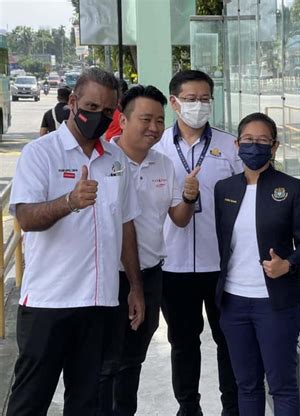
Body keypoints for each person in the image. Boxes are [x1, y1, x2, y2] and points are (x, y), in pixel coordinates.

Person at [6, 67, 145, 416]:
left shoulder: (116, 161)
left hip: (100, 305)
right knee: (30, 402)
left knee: (89, 404)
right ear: (72, 102)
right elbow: (25, 218)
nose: (98, 117)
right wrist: (69, 202)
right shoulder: (40, 154)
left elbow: (126, 224)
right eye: (91, 107)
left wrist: (135, 287)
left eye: (108, 111)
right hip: (48, 304)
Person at [99, 84, 200, 415]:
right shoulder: (101, 162)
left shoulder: (164, 164)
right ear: (123, 120)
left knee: (132, 359)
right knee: (103, 361)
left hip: (150, 273)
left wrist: (188, 196)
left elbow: (179, 219)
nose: (154, 128)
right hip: (105, 276)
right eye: (146, 119)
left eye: (159, 120)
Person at [214, 112, 300, 416]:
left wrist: (287, 265)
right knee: (246, 385)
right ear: (237, 144)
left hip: (275, 305)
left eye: (262, 141)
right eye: (248, 140)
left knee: (282, 385)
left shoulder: (292, 188)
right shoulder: (224, 189)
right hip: (233, 304)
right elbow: (223, 245)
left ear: (274, 147)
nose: (254, 146)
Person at [153, 69, 241, 416]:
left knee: (228, 340)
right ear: (174, 103)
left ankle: (231, 406)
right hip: (172, 265)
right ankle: (188, 406)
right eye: (190, 99)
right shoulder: (158, 148)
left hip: (222, 264)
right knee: (183, 341)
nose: (198, 106)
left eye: (204, 98)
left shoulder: (229, 146)